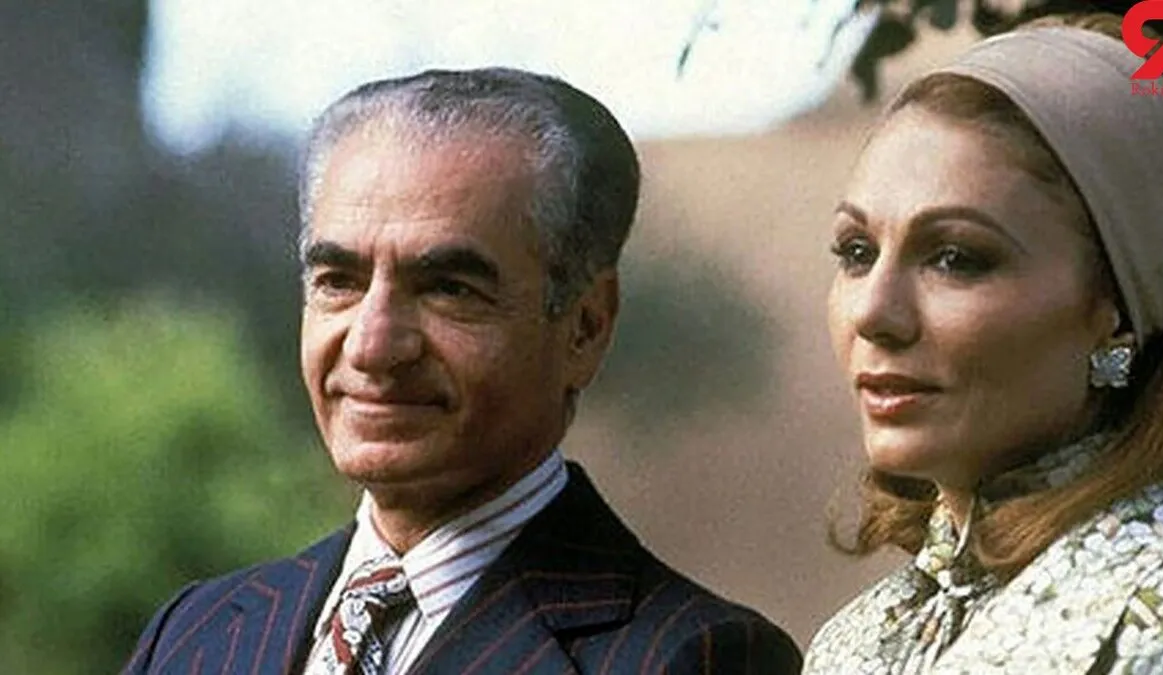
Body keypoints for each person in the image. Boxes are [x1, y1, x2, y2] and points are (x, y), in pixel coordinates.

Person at [122, 68, 802, 675]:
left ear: (585, 326)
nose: (373, 346)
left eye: (448, 288)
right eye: (339, 281)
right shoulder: (194, 633)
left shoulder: (695, 656)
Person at [806, 12, 1163, 674]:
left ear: (1114, 308)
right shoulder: (855, 642)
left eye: (956, 257)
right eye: (857, 251)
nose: (874, 313)